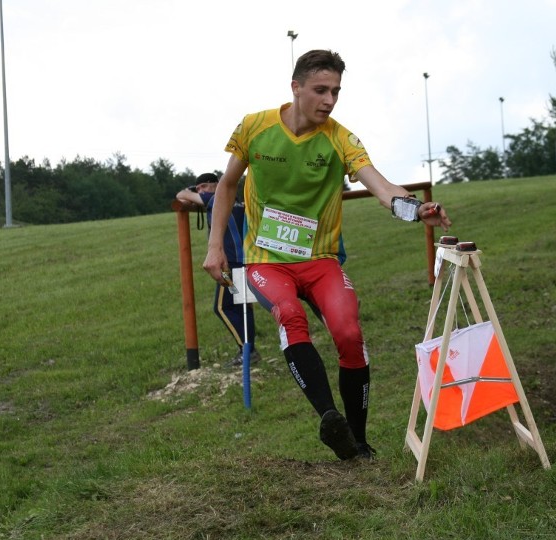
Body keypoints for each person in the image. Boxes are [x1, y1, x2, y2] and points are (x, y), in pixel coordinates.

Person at [202, 49, 451, 460]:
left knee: (350, 335)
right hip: (267, 261)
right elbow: (227, 185)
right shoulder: (254, 127)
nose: (330, 100)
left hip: (320, 261)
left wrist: (415, 208)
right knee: (290, 315)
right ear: (295, 88)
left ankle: (358, 440)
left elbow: (381, 186)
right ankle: (330, 419)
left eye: (336, 91)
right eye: (321, 90)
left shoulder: (340, 138)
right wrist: (215, 247)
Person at [176, 173, 259, 367]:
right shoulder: (236, 200)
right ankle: (248, 349)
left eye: (204, 186)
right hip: (245, 260)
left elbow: (181, 195)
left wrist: (189, 192)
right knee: (243, 307)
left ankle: (247, 350)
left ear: (217, 185)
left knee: (222, 307)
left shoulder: (215, 197)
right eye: (198, 188)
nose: (201, 191)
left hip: (229, 264)